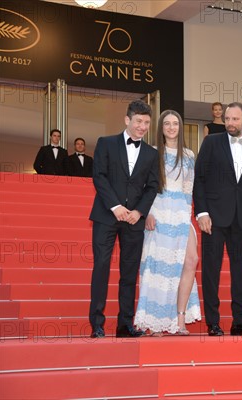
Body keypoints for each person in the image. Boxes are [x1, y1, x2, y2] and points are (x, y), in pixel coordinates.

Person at [88, 100, 159, 338]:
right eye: (138, 121)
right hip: (106, 216)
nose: (142, 126)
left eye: (147, 123)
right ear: (127, 120)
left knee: (129, 272)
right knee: (101, 267)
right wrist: (116, 206)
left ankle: (124, 325)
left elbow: (152, 187)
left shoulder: (151, 153)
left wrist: (139, 212)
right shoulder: (106, 143)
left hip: (134, 220)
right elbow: (99, 176)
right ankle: (97, 324)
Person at [193, 102, 242, 336]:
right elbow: (199, 178)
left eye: (235, 119)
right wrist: (201, 212)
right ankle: (213, 322)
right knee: (211, 271)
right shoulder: (212, 142)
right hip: (213, 217)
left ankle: (240, 321)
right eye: (227, 119)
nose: (230, 123)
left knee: (241, 272)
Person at [134, 110, 201, 336]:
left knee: (191, 260)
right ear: (161, 127)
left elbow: (189, 188)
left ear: (181, 127)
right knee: (159, 267)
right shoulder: (152, 153)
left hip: (182, 213)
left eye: (175, 123)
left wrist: (190, 215)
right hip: (159, 211)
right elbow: (146, 186)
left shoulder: (189, 154)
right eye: (167, 124)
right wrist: (148, 213)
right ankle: (156, 321)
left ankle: (180, 318)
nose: (172, 127)